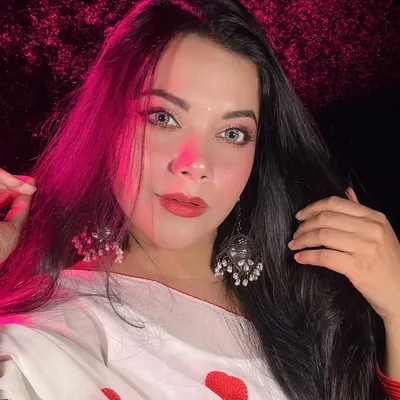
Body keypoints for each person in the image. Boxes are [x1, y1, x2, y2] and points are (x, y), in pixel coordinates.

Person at [0, 0, 399, 399]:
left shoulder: (309, 298)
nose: (196, 165)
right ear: (108, 124)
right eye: (163, 117)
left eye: (232, 134)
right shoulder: (51, 328)